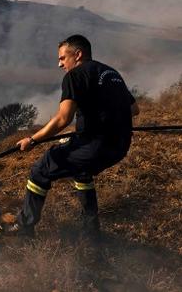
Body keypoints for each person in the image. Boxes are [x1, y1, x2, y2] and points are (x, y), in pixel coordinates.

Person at [13, 34, 140, 241]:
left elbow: (63, 119)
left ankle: (24, 229)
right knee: (82, 171)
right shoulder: (111, 73)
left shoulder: (75, 76)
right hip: (120, 146)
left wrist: (32, 140)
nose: (60, 63)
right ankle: (90, 233)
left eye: (63, 58)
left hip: (94, 145)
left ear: (78, 54)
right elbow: (134, 109)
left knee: (42, 168)